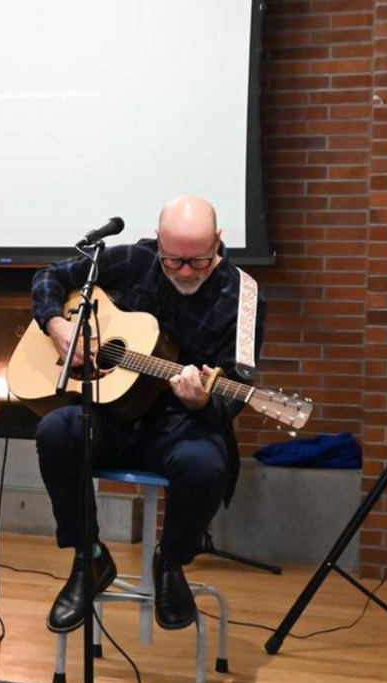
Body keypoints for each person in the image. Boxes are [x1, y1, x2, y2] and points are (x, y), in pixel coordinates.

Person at [31, 195, 265, 633]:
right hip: (115, 416)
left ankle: (170, 562)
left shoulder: (244, 298)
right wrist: (57, 326)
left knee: (204, 465)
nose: (185, 272)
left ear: (219, 241)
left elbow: (238, 388)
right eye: (173, 260)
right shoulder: (134, 261)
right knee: (56, 430)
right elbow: (49, 277)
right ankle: (90, 559)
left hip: (183, 426)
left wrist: (202, 400)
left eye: (198, 260)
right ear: (158, 242)